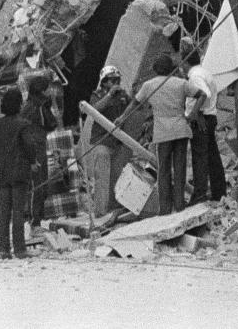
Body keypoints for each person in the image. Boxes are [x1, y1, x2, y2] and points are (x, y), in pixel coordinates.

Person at [0, 88, 40, 258]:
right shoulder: (23, 124)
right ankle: (19, 250)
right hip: (19, 173)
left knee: (4, 211)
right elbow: (30, 146)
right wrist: (32, 162)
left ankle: (4, 249)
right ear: (19, 105)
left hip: (1, 174)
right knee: (18, 211)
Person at [134, 54, 204, 215]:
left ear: (155, 69)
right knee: (179, 169)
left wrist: (121, 117)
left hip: (163, 133)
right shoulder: (182, 83)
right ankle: (179, 205)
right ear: (171, 67)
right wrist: (193, 113)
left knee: (163, 170)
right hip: (180, 129)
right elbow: (202, 94)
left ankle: (165, 208)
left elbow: (135, 103)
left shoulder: (148, 85)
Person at [85, 65, 132, 214]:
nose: (115, 82)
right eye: (112, 80)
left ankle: (115, 207)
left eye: (117, 80)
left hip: (117, 143)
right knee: (102, 178)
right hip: (102, 142)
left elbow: (132, 107)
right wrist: (109, 95)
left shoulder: (123, 95)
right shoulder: (97, 95)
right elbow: (94, 110)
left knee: (117, 177)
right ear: (104, 82)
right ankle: (101, 210)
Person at [186, 57, 227, 203]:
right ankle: (219, 192)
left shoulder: (195, 76)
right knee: (212, 156)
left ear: (185, 63)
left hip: (201, 119)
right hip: (209, 117)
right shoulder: (205, 72)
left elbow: (204, 94)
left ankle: (200, 195)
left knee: (200, 158)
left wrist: (195, 113)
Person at [22, 73, 57, 228]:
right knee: (36, 185)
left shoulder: (38, 105)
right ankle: (33, 219)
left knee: (41, 184)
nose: (50, 92)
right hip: (33, 149)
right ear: (41, 91)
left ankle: (38, 218)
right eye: (47, 90)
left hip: (39, 146)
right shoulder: (33, 107)